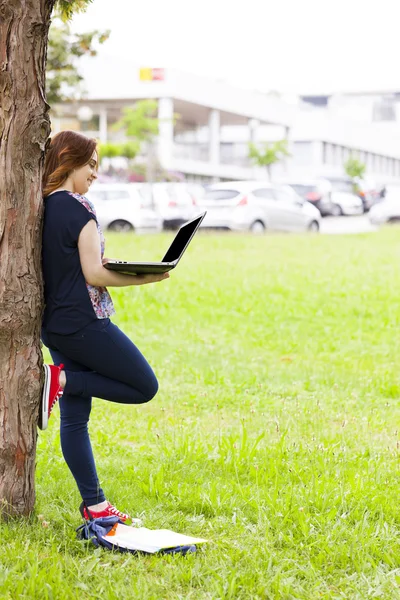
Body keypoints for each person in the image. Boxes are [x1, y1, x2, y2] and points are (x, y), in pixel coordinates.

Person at [40, 130, 169, 524]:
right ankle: (60, 382)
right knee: (145, 386)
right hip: (83, 324)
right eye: (91, 165)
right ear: (69, 159)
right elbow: (93, 274)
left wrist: (111, 263)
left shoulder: (44, 206)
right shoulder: (80, 208)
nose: (94, 174)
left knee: (76, 420)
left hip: (55, 325)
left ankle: (94, 505)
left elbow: (70, 264)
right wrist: (145, 277)